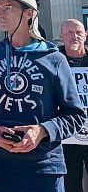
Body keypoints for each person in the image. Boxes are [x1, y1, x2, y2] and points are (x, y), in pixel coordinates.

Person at [0, 0, 85, 192]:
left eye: (8, 8)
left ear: (29, 13)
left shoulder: (54, 59)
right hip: (1, 166)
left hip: (45, 168)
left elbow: (75, 115)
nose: (1, 14)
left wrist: (42, 131)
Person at [59, 19, 88, 192]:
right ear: (61, 36)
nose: (74, 36)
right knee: (71, 185)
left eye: (78, 32)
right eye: (69, 33)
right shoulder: (53, 62)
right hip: (67, 138)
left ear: (85, 35)